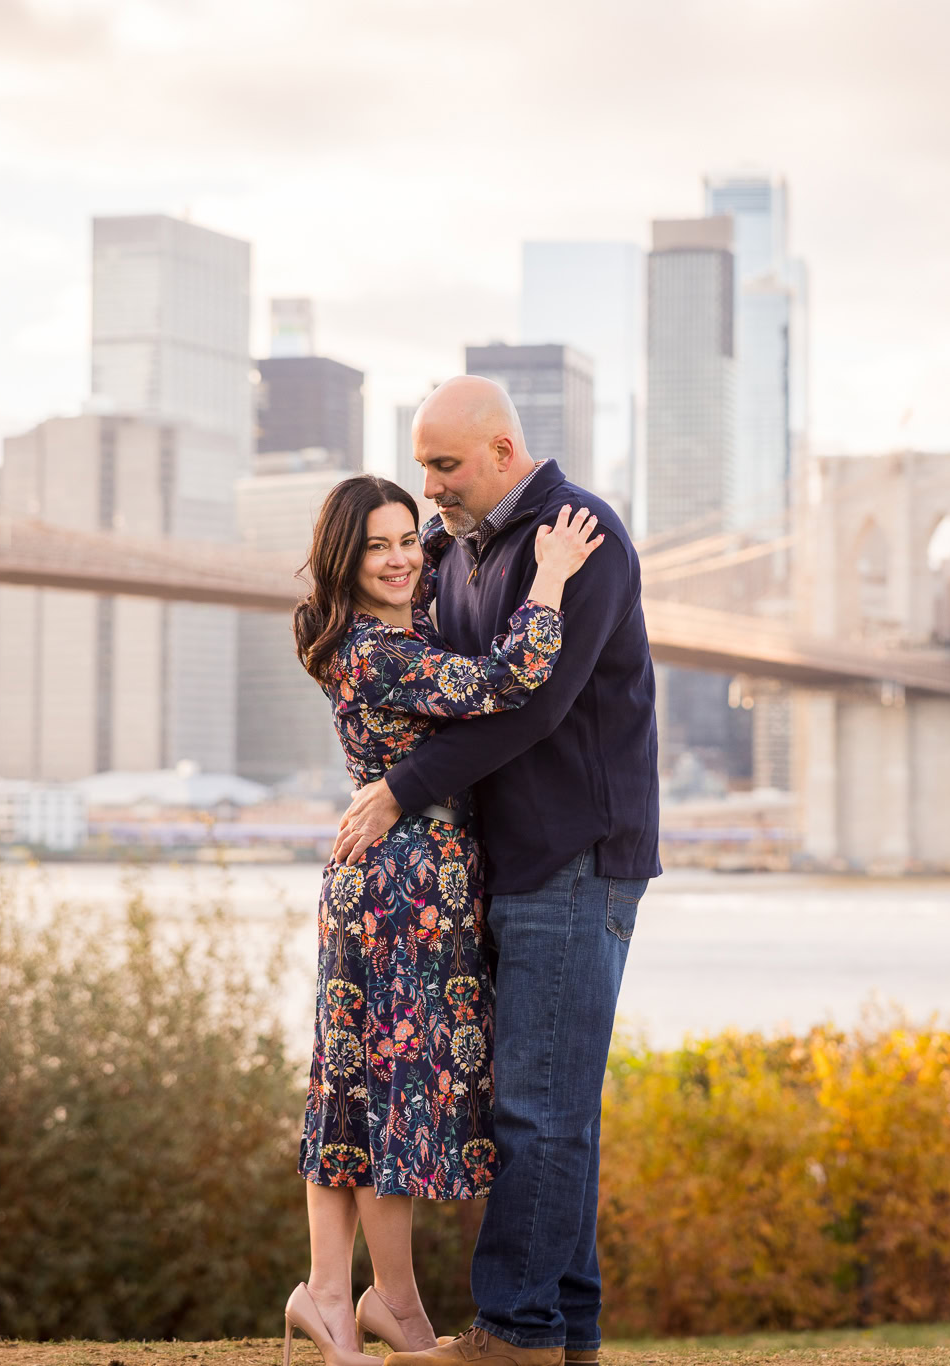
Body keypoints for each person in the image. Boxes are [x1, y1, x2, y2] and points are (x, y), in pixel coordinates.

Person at [332, 378, 661, 1366]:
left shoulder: (578, 535)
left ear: (505, 451)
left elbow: (530, 708)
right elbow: (381, 607)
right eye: (422, 465)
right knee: (557, 1110)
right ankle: (568, 1335)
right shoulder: (460, 550)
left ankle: (513, 1336)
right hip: (508, 867)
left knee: (538, 1108)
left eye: (445, 465)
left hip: (574, 857)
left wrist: (397, 790)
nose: (428, 487)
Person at [287, 472, 604, 1366]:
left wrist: (446, 522)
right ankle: (388, 1306)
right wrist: (549, 576)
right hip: (401, 893)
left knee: (356, 1087)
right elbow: (508, 680)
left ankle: (338, 1293)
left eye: (405, 541)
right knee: (388, 1095)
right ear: (341, 562)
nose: (398, 559)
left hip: (399, 884)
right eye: (374, 546)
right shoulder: (383, 653)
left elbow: (435, 545)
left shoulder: (390, 623)